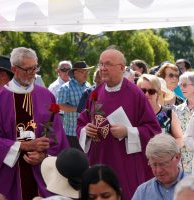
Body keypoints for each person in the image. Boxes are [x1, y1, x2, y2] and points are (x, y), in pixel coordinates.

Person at [0, 47, 69, 200]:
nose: (33, 73)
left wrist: (44, 155)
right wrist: (24, 146)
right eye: (27, 69)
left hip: (41, 172)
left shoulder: (46, 96)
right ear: (14, 69)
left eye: (35, 68)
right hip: (10, 175)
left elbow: (56, 135)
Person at [76, 47, 161, 200]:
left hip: (124, 163)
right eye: (101, 64)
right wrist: (85, 130)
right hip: (99, 160)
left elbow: (153, 130)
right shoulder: (96, 93)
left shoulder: (135, 94)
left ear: (121, 68)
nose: (103, 68)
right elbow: (82, 121)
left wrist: (128, 132)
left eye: (108, 64)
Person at [132, 134, 185, 200]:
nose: (158, 170)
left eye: (163, 164)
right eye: (154, 164)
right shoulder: (142, 191)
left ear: (177, 157)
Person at [137, 74, 183, 146]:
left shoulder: (168, 113)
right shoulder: (133, 113)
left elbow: (180, 138)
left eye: (151, 91)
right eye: (143, 91)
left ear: (158, 93)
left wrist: (166, 149)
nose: (146, 94)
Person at [58, 61, 93, 149]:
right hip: (71, 132)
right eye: (82, 72)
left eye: (87, 72)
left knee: (85, 159)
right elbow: (61, 106)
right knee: (73, 160)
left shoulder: (88, 86)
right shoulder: (65, 87)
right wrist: (78, 109)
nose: (86, 74)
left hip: (85, 131)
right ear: (75, 73)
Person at [175, 71, 194, 174]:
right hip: (182, 161)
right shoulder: (176, 110)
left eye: (184, 85)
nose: (181, 88)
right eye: (180, 85)